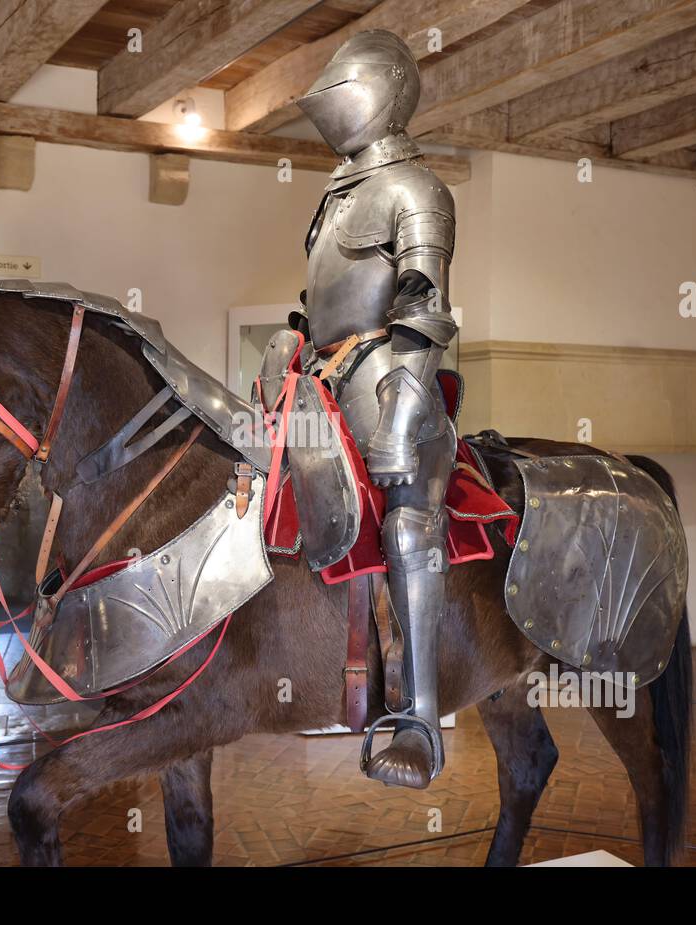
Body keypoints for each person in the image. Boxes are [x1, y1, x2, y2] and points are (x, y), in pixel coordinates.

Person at [294, 30, 456, 789]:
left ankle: (420, 714)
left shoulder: (417, 188)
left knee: (407, 520)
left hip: (389, 380)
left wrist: (400, 419)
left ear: (386, 88)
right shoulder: (336, 195)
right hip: (323, 377)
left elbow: (424, 312)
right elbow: (319, 307)